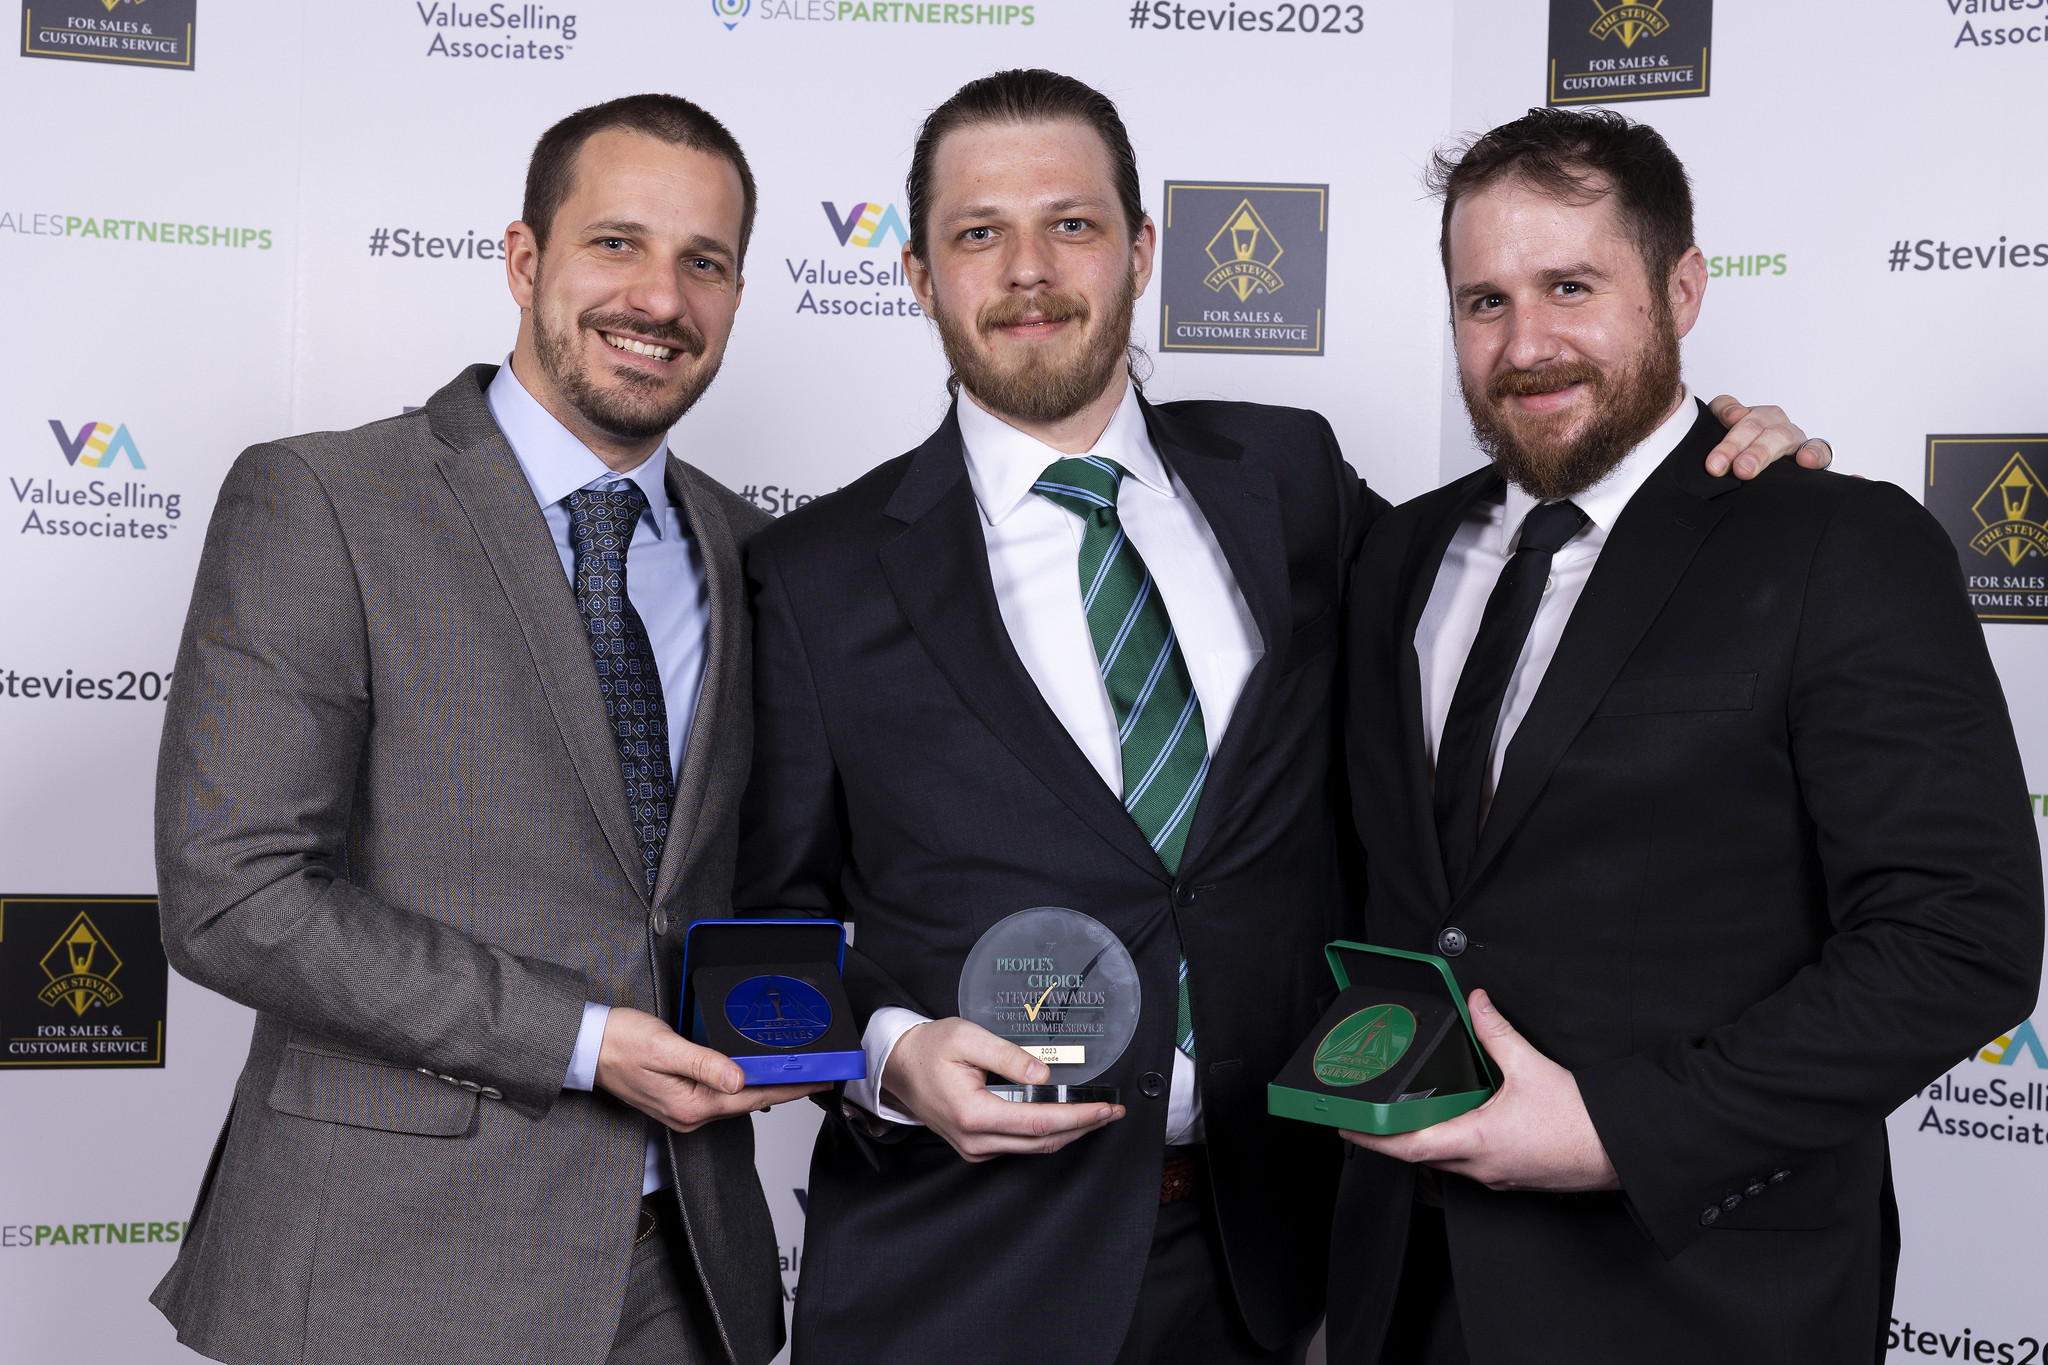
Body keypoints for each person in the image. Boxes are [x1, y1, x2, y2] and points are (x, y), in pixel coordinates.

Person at [733, 71, 1822, 1365]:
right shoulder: (815, 575)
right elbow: (760, 939)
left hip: (1277, 1269)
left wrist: (1690, 468)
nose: (1028, 269)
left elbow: (1525, 601)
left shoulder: (1290, 479)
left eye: (1072, 224)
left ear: (1141, 252)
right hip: (962, 1277)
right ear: (917, 275)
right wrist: (890, 1052)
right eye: (979, 233)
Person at [1329, 107, 2045, 1365]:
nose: (1525, 343)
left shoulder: (1836, 544)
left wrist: (1616, 1126)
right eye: (1481, 300)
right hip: (1400, 1287)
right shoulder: (1397, 552)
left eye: (1569, 286)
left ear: (1680, 288)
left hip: (1697, 1299)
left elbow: (1959, 940)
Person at [150, 94, 823, 1365]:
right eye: (614, 244)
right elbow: (230, 893)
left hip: (685, 1281)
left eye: (704, 262)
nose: (659, 299)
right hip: (383, 1275)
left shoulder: (759, 556)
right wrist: (578, 1043)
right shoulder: (325, 501)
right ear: (525, 259)